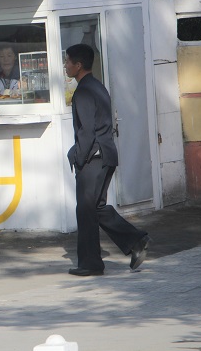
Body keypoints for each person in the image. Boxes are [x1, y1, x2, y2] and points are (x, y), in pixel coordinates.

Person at [65, 43, 151, 276]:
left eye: (68, 62)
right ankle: (135, 240)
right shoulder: (98, 86)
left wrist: (78, 157)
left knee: (85, 210)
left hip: (93, 158)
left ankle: (91, 264)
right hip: (107, 155)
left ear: (78, 65)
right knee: (96, 208)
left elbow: (87, 131)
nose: (65, 66)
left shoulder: (83, 91)